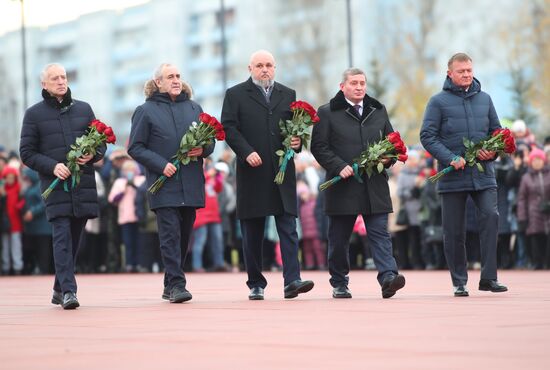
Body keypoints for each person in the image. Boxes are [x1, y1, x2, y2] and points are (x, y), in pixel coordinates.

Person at [221, 50, 314, 300]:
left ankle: (292, 280)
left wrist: (296, 144)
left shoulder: (288, 94)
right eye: (259, 65)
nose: (265, 69)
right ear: (250, 68)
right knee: (252, 230)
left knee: (288, 226)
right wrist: (245, 152)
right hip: (252, 170)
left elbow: (297, 131)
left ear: (275, 67)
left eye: (269, 65)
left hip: (282, 170)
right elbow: (228, 128)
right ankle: (255, 283)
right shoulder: (235, 94)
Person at [311, 67, 406, 299]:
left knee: (380, 234)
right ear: (342, 86)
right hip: (342, 186)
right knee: (339, 239)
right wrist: (338, 166)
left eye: (362, 83)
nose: (359, 87)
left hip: (374, 186)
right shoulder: (326, 112)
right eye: (354, 83)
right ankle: (340, 282)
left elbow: (391, 143)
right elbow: (319, 147)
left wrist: (389, 158)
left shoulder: (378, 110)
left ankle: (388, 278)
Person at [420, 53, 508, 296]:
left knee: (491, 217)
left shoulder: (485, 99)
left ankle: (489, 278)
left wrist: (492, 152)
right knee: (454, 231)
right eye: (462, 71)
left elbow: (497, 133)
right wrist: (450, 158)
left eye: (469, 70)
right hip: (452, 176)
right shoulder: (437, 102)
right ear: (450, 73)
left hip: (484, 175)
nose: (467, 74)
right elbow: (427, 136)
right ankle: (459, 281)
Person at [19, 63, 105, 309]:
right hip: (56, 185)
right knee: (62, 237)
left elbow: (100, 144)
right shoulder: (34, 114)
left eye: (63, 77)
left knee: (76, 239)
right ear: (44, 84)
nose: (61, 81)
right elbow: (27, 152)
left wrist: (92, 154)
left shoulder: (84, 108)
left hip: (83, 185)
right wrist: (52, 166)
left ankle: (58, 287)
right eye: (54, 78)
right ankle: (69, 291)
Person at [128, 63, 213, 303]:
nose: (176, 80)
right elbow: (135, 147)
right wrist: (160, 164)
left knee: (184, 236)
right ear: (159, 83)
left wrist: (203, 149)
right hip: (163, 184)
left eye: (178, 76)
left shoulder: (194, 107)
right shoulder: (145, 110)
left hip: (191, 182)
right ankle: (177, 285)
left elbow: (209, 142)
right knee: (170, 236)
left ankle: (169, 283)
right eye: (170, 77)